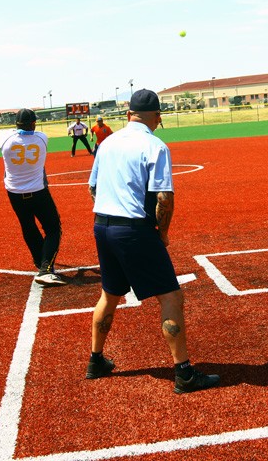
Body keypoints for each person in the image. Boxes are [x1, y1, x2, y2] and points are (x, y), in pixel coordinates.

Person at [86, 89, 219, 394]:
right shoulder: (154, 145)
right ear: (157, 117)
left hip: (103, 225)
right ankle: (183, 373)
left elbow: (92, 187)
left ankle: (96, 360)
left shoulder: (106, 143)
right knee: (171, 297)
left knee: (109, 294)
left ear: (127, 114)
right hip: (134, 230)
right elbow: (164, 197)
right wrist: (162, 232)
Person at [0, 108, 65, 286]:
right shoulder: (42, 138)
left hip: (14, 193)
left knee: (28, 226)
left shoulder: (4, 139)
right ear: (33, 123)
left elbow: (7, 135)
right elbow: (30, 134)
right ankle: (46, 268)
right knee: (53, 229)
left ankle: (40, 261)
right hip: (38, 191)